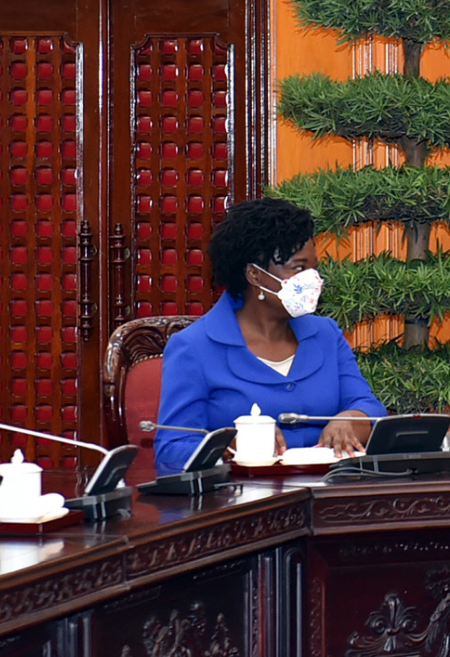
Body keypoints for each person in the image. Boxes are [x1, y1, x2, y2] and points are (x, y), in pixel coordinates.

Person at [152, 197, 387, 474]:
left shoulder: (326, 334)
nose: (312, 279)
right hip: (243, 503)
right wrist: (229, 446)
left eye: (314, 267)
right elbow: (171, 447)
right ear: (255, 275)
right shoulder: (193, 347)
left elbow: (369, 406)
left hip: (329, 493)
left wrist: (353, 418)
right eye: (299, 268)